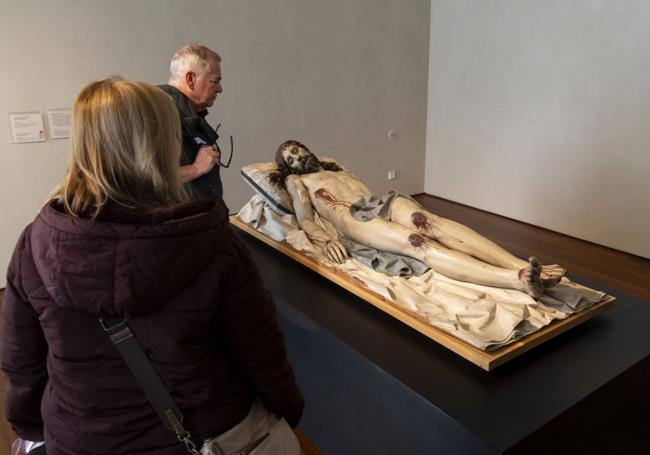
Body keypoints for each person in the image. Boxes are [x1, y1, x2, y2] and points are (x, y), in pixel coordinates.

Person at [1, 78, 303, 454]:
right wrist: (287, 411)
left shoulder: (35, 243)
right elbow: (262, 356)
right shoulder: (211, 242)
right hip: (207, 432)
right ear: (160, 145)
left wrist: (35, 427)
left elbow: (22, 363)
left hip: (82, 437)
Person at [270, 140, 566, 298]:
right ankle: (516, 280)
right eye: (290, 160)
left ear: (306, 146)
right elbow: (306, 217)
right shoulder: (297, 182)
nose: (297, 159)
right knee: (417, 242)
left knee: (429, 222)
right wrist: (325, 238)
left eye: (296, 151)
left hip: (377, 202)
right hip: (351, 217)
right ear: (288, 169)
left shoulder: (334, 164)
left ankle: (519, 265)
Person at [159, 43, 225, 201]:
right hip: (179, 223)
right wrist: (195, 168)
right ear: (191, 79)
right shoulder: (159, 114)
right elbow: (146, 179)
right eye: (214, 81)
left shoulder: (188, 114)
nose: (220, 89)